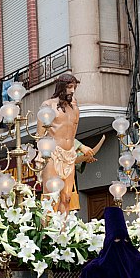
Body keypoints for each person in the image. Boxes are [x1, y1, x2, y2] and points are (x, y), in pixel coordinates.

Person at [37, 74, 95, 214]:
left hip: (69, 155)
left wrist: (80, 150)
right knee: (51, 196)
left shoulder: (75, 109)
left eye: (74, 87)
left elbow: (72, 135)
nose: (72, 90)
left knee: (67, 197)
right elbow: (40, 135)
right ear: (61, 87)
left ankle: (63, 231)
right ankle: (48, 233)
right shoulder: (48, 105)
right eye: (69, 87)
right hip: (53, 153)